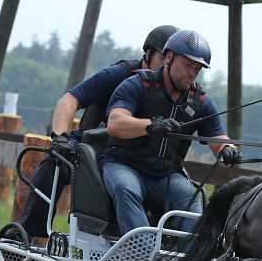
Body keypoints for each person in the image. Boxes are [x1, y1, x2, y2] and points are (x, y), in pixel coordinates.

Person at [14, 25, 181, 239]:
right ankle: (30, 232)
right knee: (54, 162)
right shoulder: (120, 73)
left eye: (174, 60)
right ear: (148, 54)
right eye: (164, 58)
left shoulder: (176, 91)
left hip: (133, 157)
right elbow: (69, 100)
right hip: (92, 145)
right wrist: (60, 138)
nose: (168, 65)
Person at [103, 29, 242, 236]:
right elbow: (114, 123)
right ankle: (145, 258)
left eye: (198, 69)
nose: (192, 73)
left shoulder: (200, 102)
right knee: (125, 188)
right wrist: (151, 125)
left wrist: (228, 149)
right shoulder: (137, 85)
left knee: (192, 197)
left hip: (165, 177)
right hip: (124, 166)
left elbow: (218, 138)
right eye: (187, 65)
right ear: (169, 57)